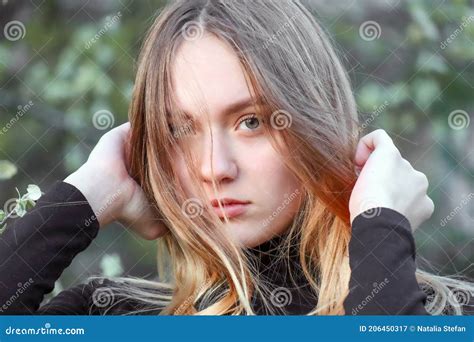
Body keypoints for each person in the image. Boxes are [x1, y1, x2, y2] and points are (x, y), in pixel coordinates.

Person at [0, 0, 472, 316]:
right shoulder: (111, 313)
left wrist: (379, 226)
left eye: (252, 121)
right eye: (179, 130)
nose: (213, 168)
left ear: (315, 121)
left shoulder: (441, 312)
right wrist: (87, 196)